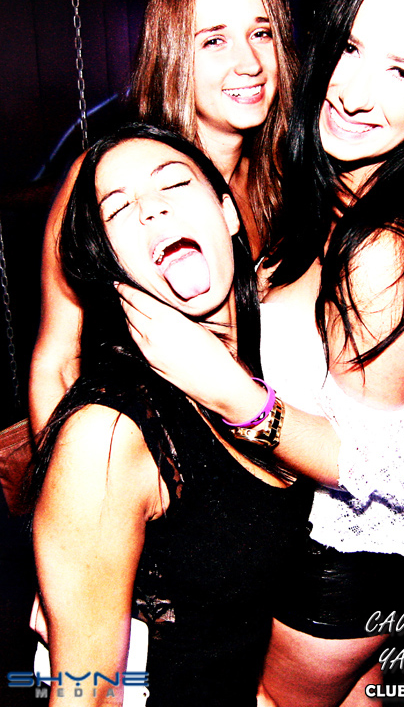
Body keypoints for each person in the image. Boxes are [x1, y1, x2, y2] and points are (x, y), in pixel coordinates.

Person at [114, 0, 404, 707]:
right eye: (352, 50)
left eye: (402, 72)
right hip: (316, 552)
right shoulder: (322, 198)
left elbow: (375, 466)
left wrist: (223, 386)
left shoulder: (383, 249)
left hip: (330, 568)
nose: (355, 92)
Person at [30, 123, 312, 707]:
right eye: (118, 209)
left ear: (228, 214)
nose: (153, 210)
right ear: (107, 262)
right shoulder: (109, 436)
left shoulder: (267, 373)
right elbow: (87, 697)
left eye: (175, 184)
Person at [29, 0, 297, 432]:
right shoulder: (104, 181)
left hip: (253, 443)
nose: (250, 63)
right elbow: (57, 363)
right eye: (214, 40)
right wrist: (69, 473)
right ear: (172, 54)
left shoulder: (276, 178)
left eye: (261, 33)